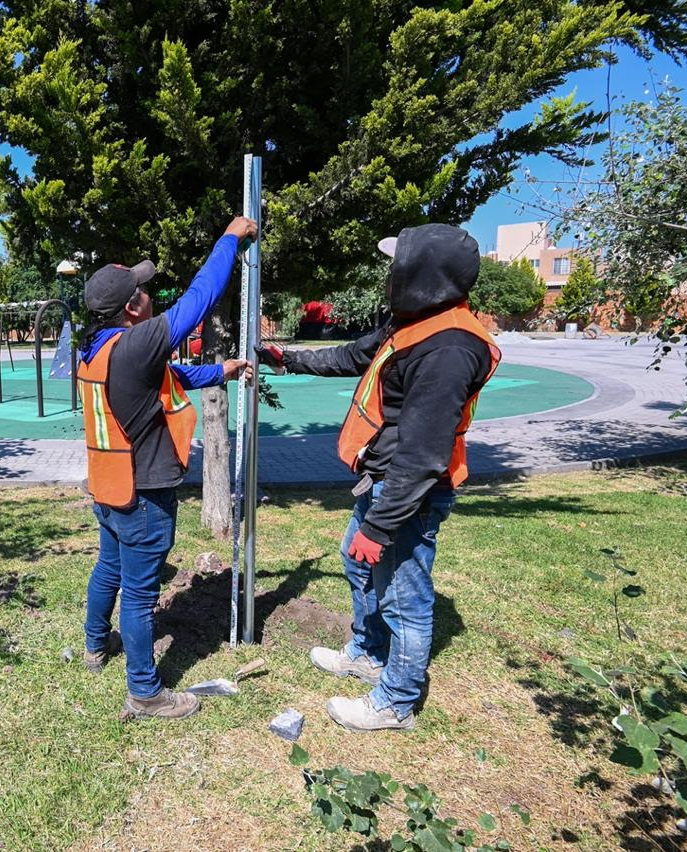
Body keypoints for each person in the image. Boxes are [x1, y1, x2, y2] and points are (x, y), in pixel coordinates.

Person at [258, 224, 500, 732]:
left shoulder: (450, 348)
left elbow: (424, 454)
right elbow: (353, 355)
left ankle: (396, 700)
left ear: (424, 274)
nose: (390, 276)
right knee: (357, 563)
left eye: (397, 266)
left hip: (409, 492)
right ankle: (368, 652)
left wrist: (380, 525)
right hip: (382, 477)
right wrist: (287, 358)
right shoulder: (413, 323)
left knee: (403, 596)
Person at [79, 216, 257, 721]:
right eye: (143, 288)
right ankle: (145, 693)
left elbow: (167, 375)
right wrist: (229, 239)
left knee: (109, 568)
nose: (150, 293)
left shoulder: (99, 349)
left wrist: (219, 371)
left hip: (109, 488)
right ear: (132, 307)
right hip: (143, 493)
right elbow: (199, 300)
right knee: (140, 594)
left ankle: (95, 647)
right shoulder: (135, 345)